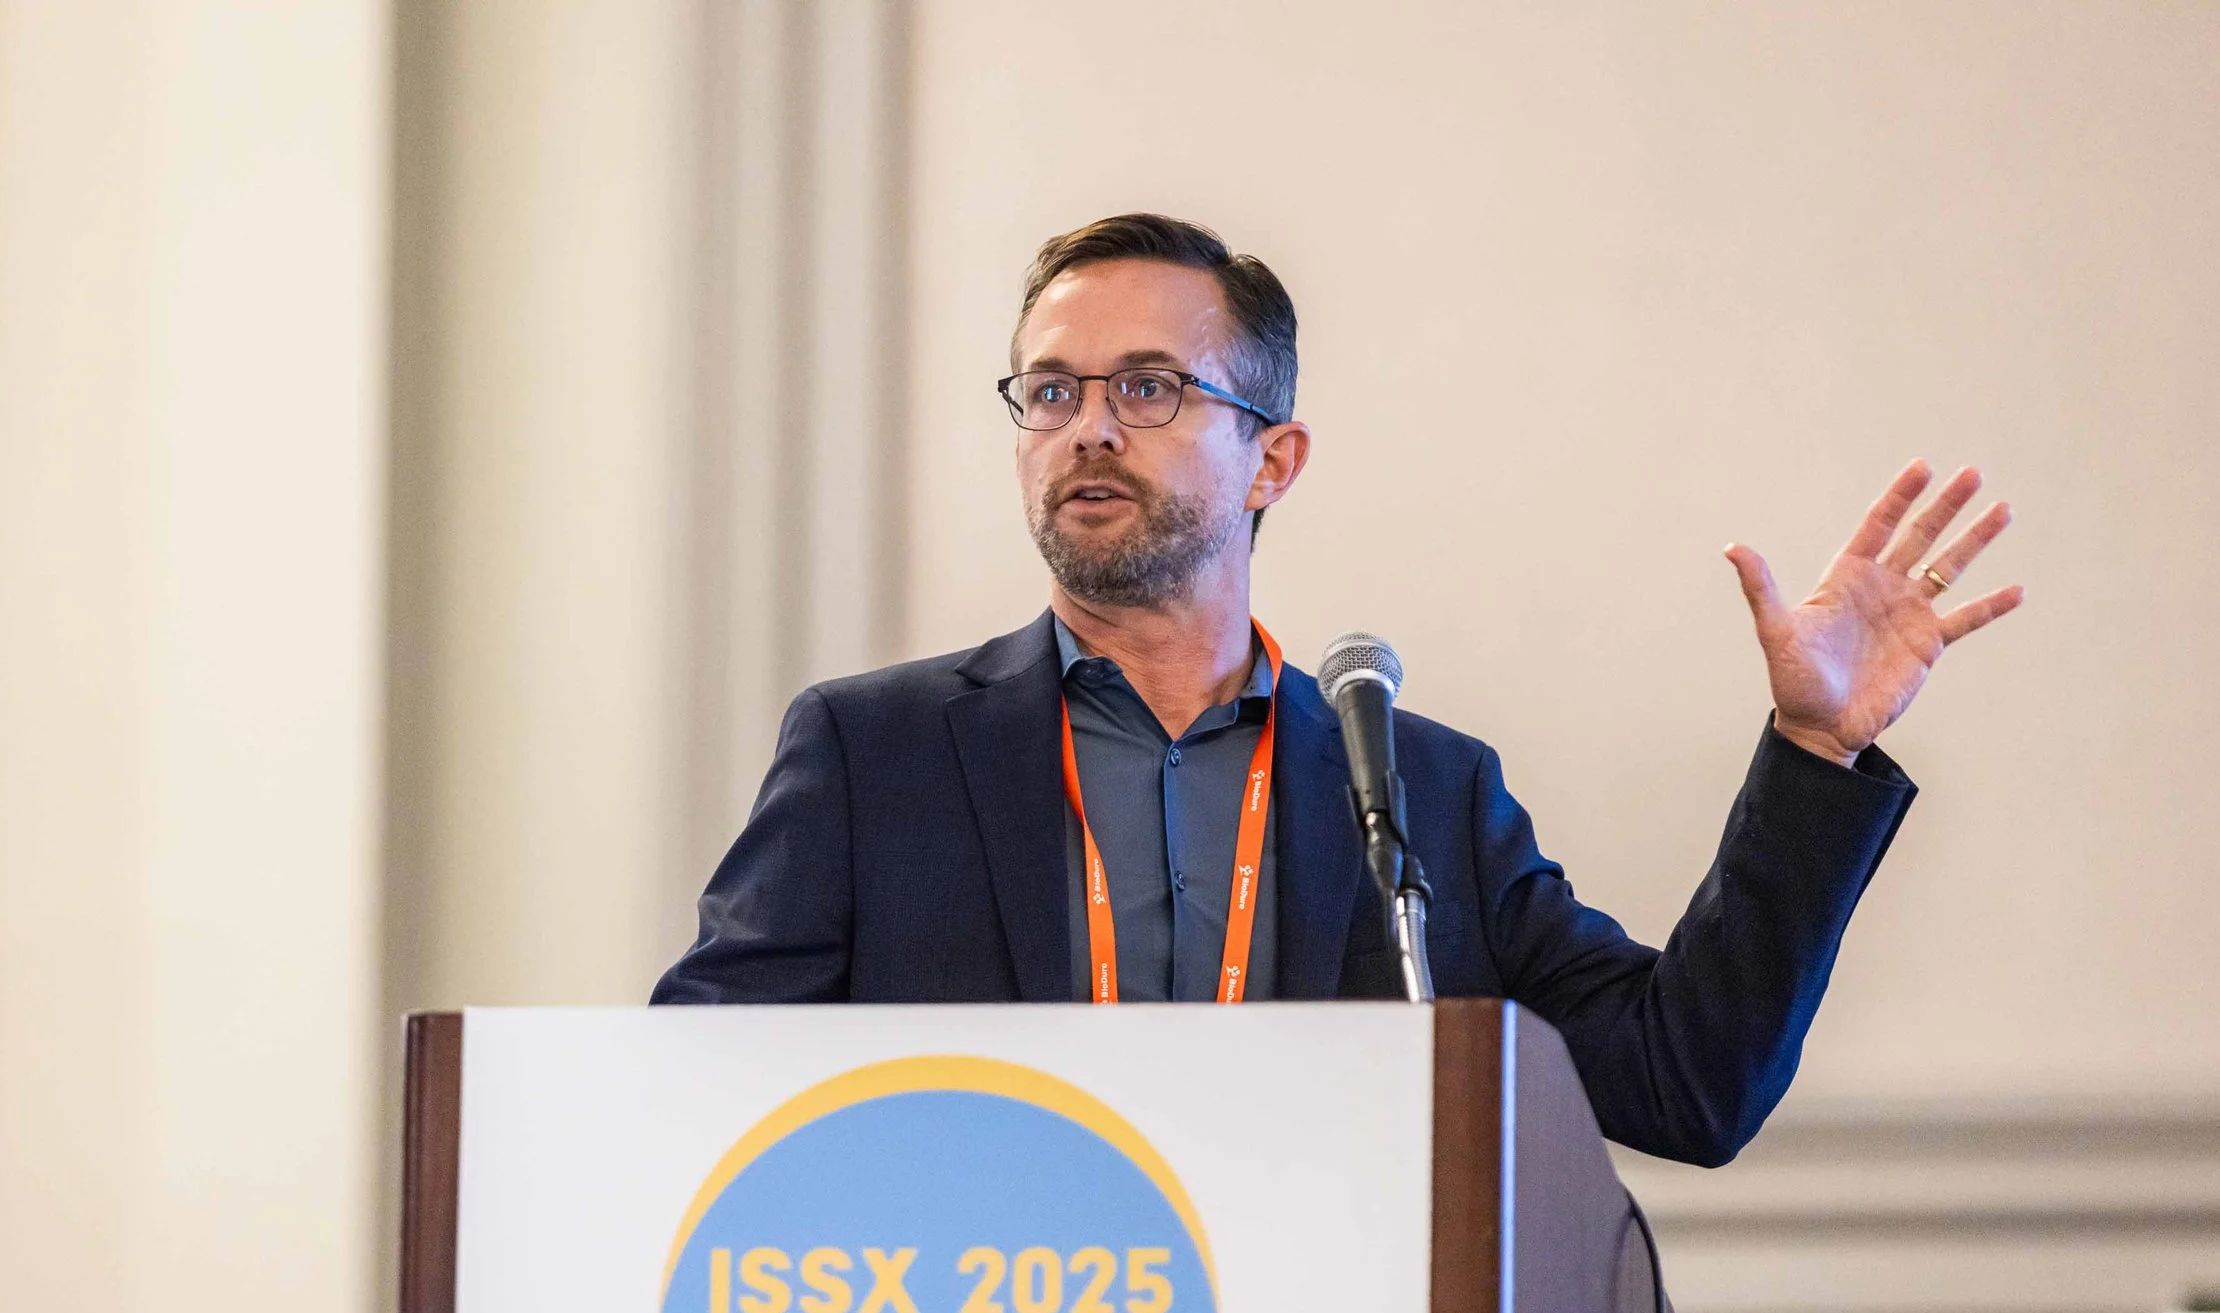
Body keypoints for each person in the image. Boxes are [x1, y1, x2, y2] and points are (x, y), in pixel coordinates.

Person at [650, 212, 2022, 1166]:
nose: (1091, 429)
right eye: (1051, 392)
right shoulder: (873, 756)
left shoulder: (1414, 785)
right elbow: (691, 1093)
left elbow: (1686, 1083)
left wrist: (1812, 748)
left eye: (1147, 387)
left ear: (1275, 459)